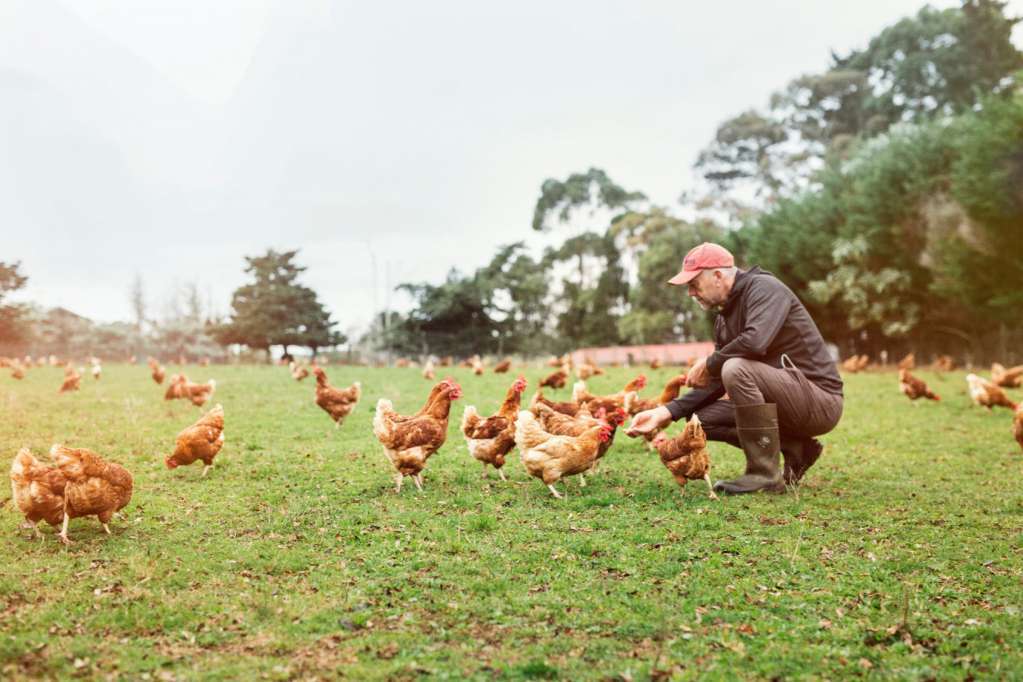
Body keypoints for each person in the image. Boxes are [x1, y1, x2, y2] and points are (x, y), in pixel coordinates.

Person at [626, 242, 843, 494]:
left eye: (694, 284)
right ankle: (796, 447)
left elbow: (754, 342)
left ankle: (763, 474)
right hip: (784, 399)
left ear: (718, 275)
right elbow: (718, 380)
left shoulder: (765, 289)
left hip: (820, 401)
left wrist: (709, 362)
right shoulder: (723, 318)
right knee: (699, 423)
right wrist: (665, 412)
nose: (690, 293)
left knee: (736, 367)